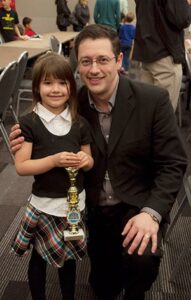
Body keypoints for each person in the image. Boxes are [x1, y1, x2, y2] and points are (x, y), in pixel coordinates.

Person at [10, 25, 187, 300]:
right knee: (104, 287)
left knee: (141, 262)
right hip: (90, 209)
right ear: (77, 65)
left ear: (119, 61)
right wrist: (22, 137)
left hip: (134, 204)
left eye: (103, 60)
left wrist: (151, 213)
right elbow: (39, 126)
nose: (94, 69)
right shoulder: (70, 105)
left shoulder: (153, 100)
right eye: (86, 62)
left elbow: (173, 163)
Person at [11, 52, 94, 300]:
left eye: (62, 82)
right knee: (39, 259)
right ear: (37, 87)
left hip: (73, 205)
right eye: (48, 83)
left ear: (72, 85)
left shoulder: (80, 123)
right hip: (44, 206)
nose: (55, 89)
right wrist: (53, 161)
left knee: (68, 262)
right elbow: (22, 166)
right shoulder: (30, 122)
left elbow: (89, 162)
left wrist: (84, 160)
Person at [133, 0, 191, 111]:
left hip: (147, 52)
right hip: (165, 54)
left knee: (148, 113)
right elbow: (182, 18)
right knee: (163, 117)